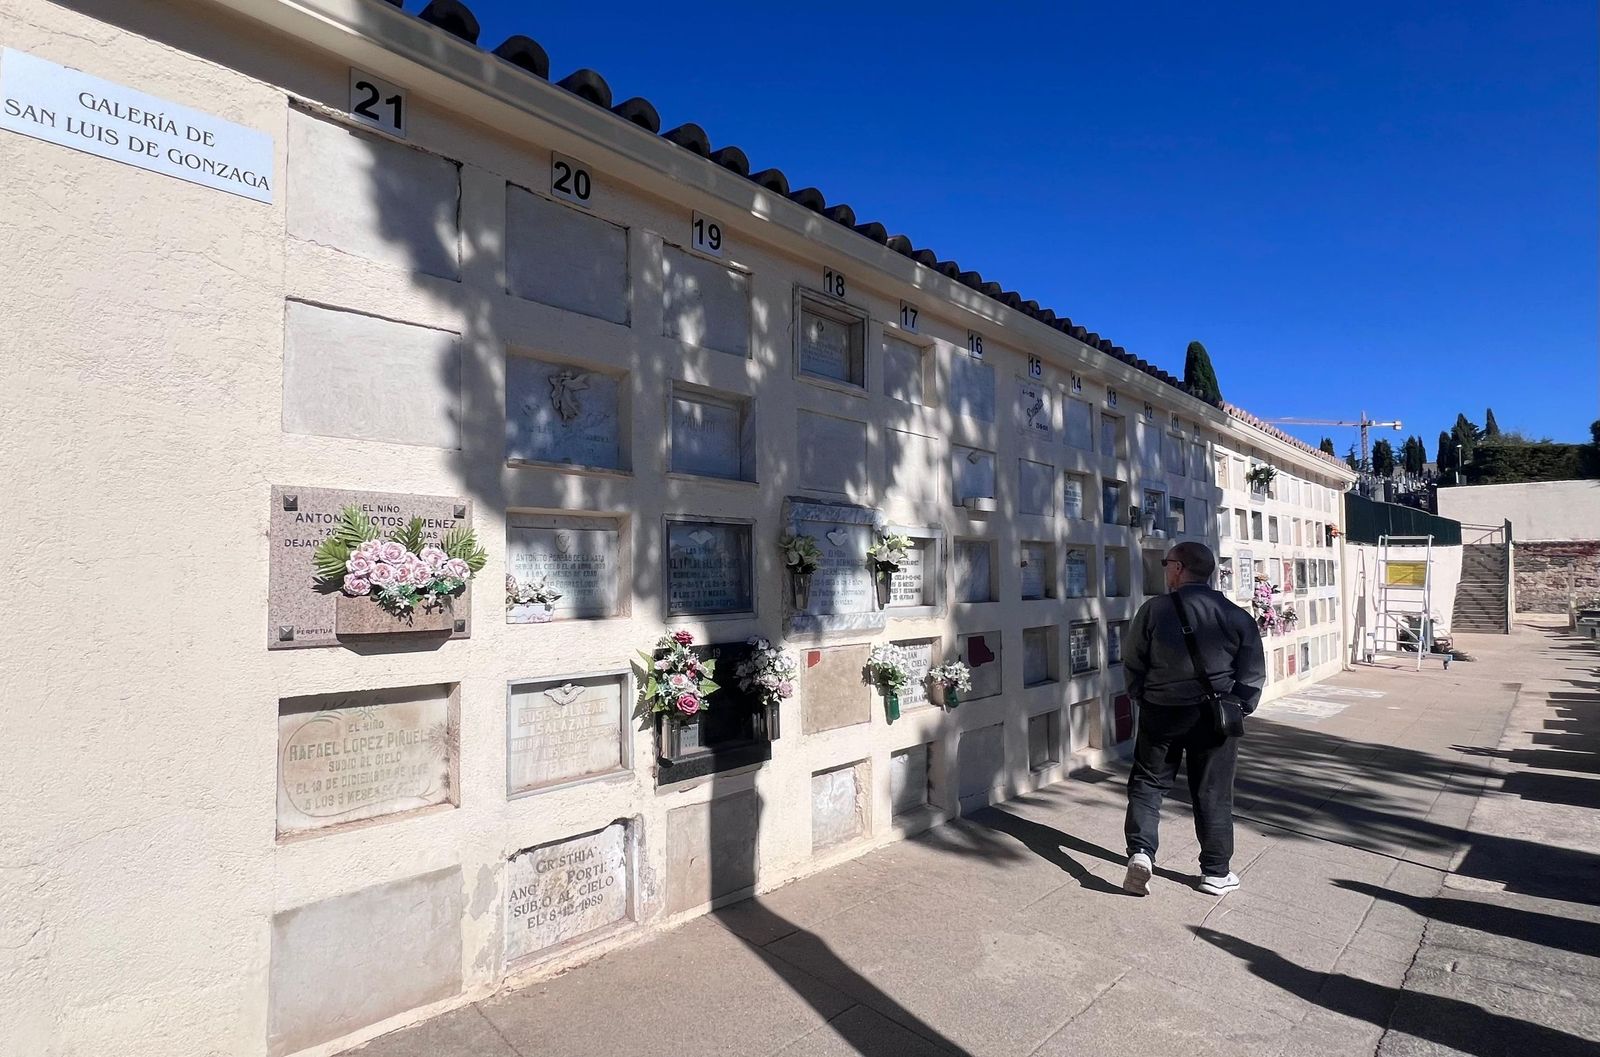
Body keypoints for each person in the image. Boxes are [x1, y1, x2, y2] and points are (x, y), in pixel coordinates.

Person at [1121, 541, 1265, 897]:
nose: (1165, 568)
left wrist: (1142, 696)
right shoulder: (1235, 615)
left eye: (1167, 562)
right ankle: (1215, 873)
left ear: (1180, 568)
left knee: (1149, 782)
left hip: (1161, 712)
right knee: (1213, 791)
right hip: (1214, 717)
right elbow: (1252, 674)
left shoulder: (1153, 611)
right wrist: (1239, 707)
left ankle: (1141, 853)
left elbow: (1133, 661)